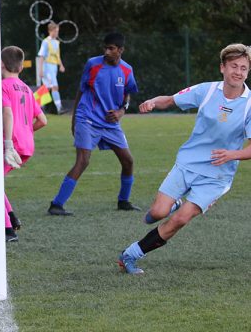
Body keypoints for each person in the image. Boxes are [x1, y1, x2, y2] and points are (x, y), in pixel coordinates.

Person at [118, 43, 251, 274]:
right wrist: (152, 102)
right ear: (222, 67)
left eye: (243, 68)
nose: (238, 72)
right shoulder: (207, 91)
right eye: (233, 66)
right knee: (158, 213)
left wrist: (233, 154)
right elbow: (170, 100)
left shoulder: (249, 104)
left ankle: (130, 255)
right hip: (188, 163)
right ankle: (174, 203)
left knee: (181, 219)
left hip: (217, 176)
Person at [47, 32, 140, 216]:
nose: (107, 51)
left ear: (121, 50)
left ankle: (123, 201)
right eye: (105, 48)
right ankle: (56, 204)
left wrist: (121, 111)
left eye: (111, 48)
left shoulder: (127, 70)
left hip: (110, 124)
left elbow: (128, 95)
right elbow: (81, 92)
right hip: (87, 118)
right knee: (83, 161)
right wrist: (74, 121)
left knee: (128, 161)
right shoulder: (93, 64)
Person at [1, 46, 48, 242]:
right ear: (21, 68)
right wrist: (26, 133)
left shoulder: (2, 86)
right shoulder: (28, 89)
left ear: (1, 65)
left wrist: (9, 141)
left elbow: (8, 112)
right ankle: (11, 216)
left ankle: (8, 230)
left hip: (11, 144)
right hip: (27, 144)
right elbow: (43, 120)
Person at [37, 21, 66, 114]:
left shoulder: (57, 42)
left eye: (57, 31)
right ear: (50, 31)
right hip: (47, 67)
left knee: (47, 88)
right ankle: (59, 108)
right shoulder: (45, 42)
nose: (57, 33)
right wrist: (40, 70)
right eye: (55, 31)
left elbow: (57, 55)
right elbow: (41, 56)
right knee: (55, 87)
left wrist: (60, 65)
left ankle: (36, 106)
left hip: (54, 68)